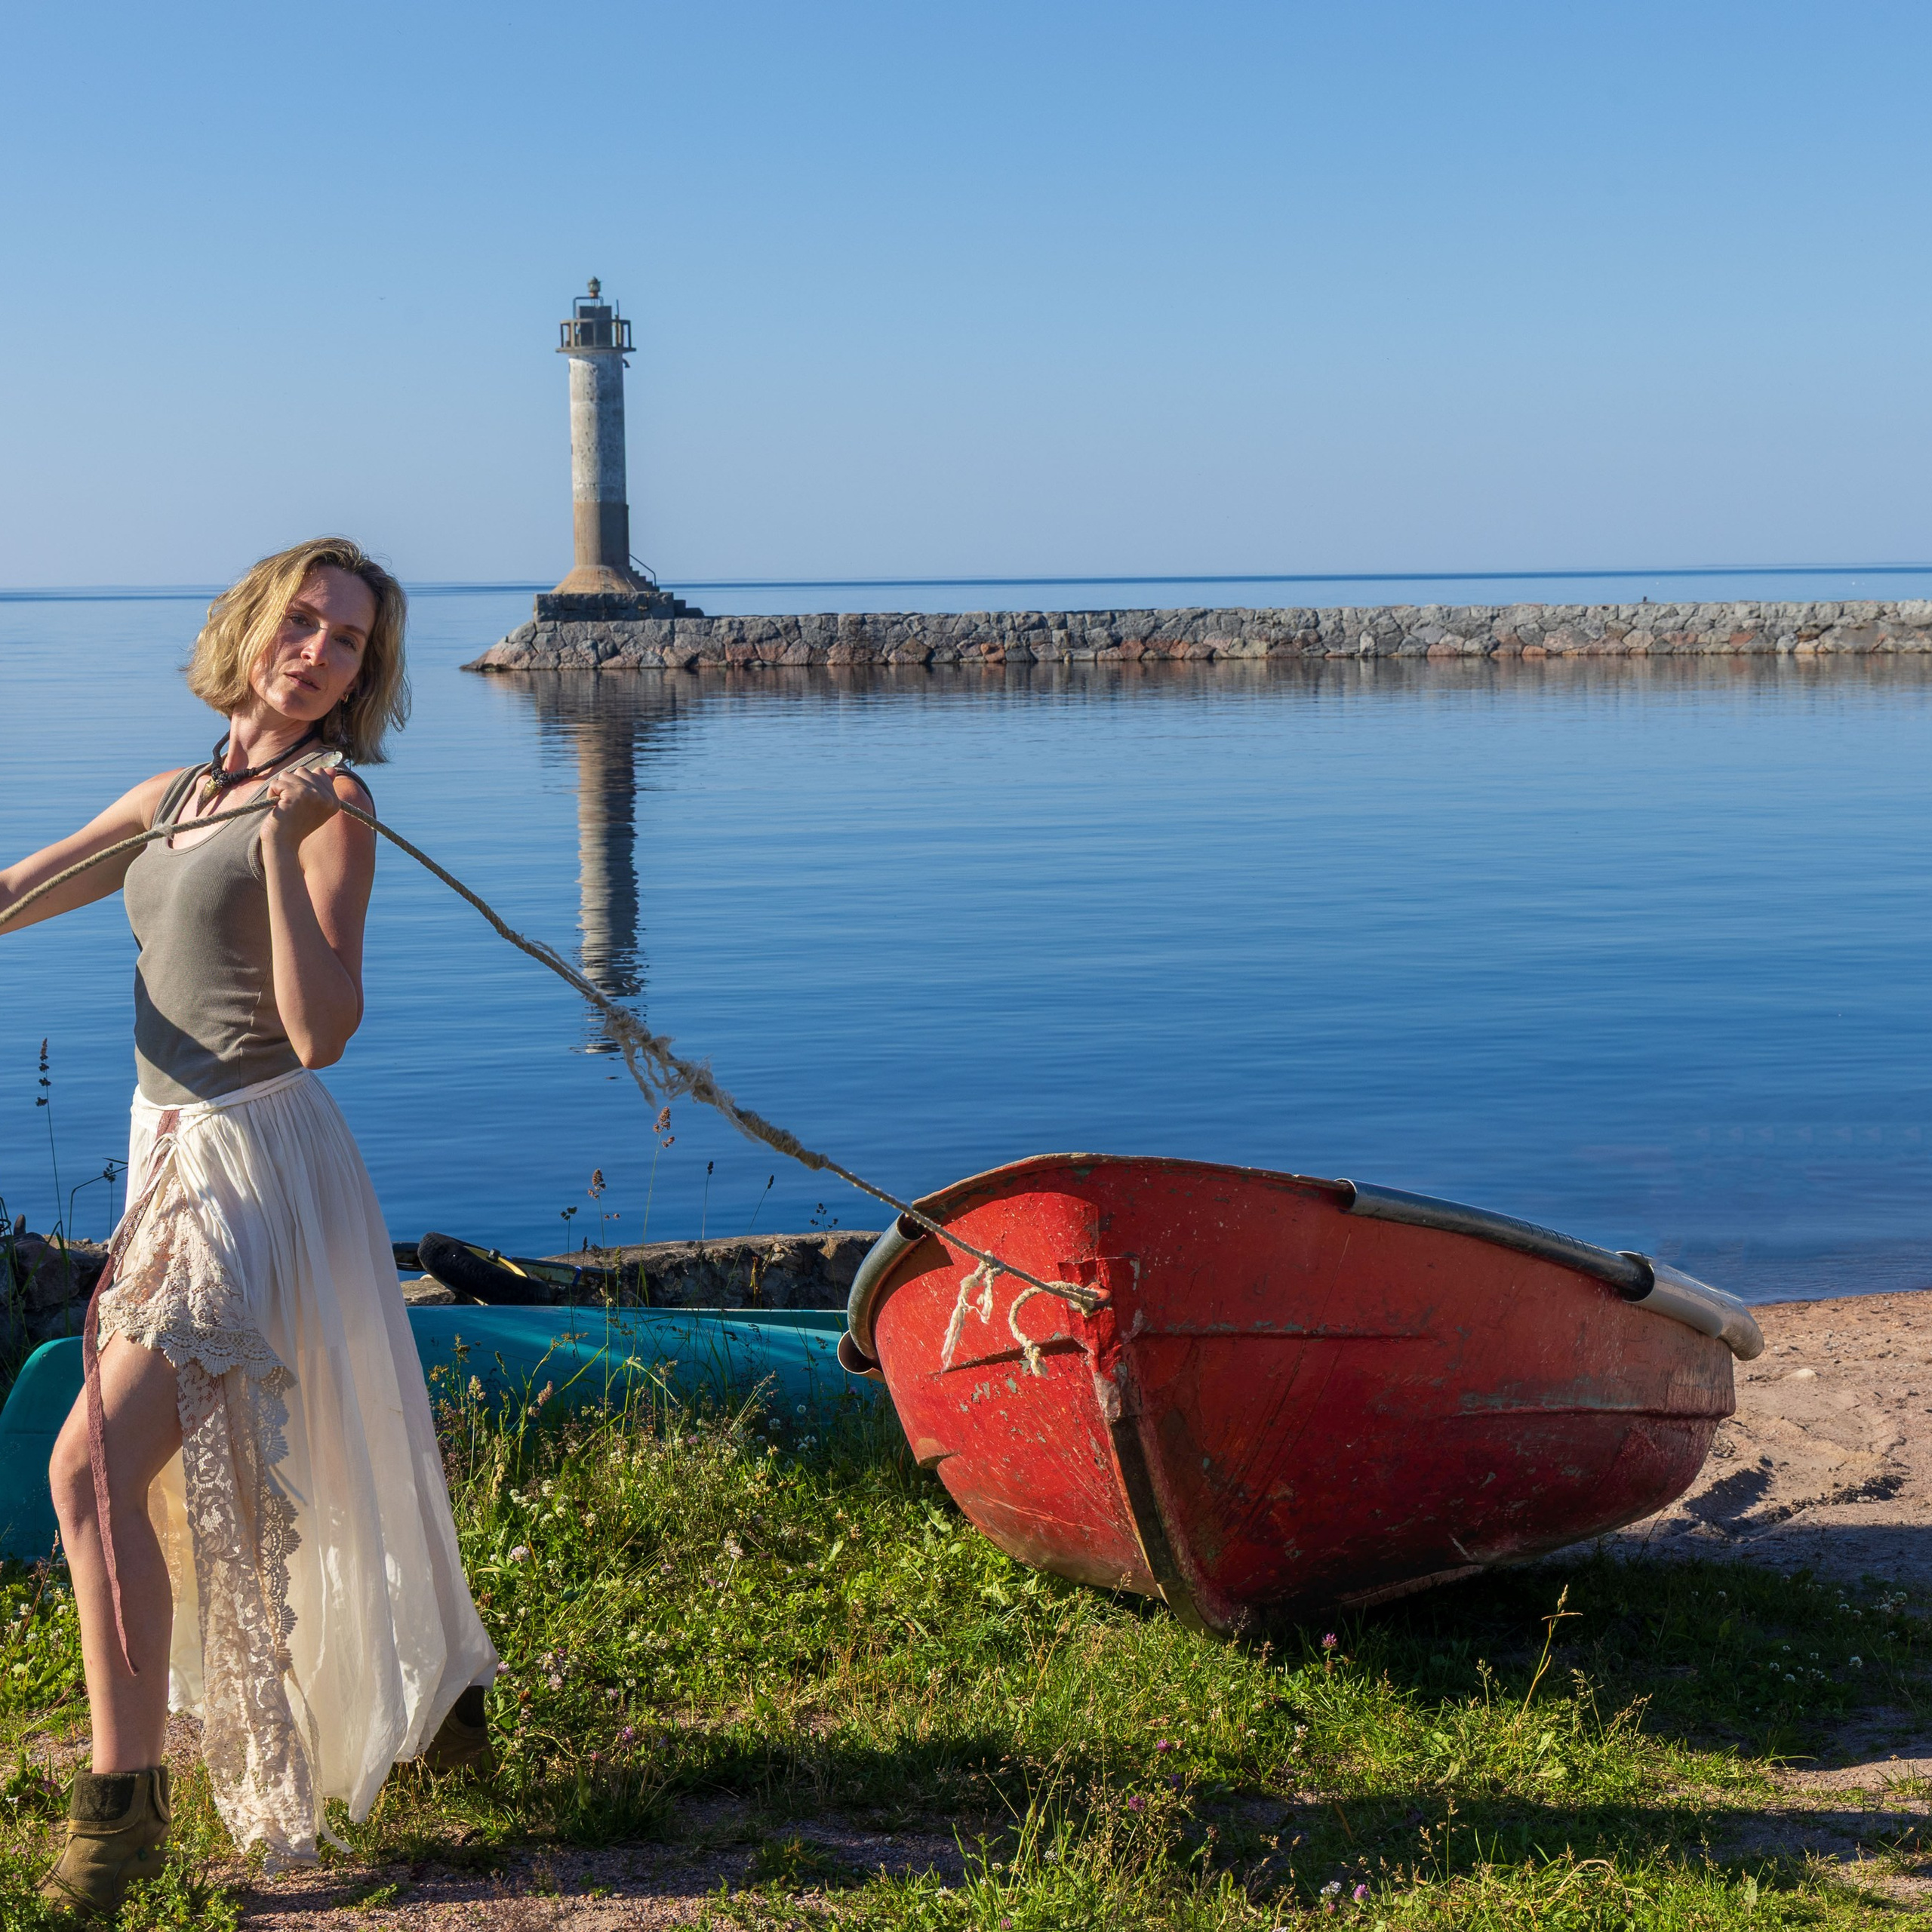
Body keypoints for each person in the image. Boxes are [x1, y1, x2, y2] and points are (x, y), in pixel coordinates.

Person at [0, 537, 497, 1915]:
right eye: (306, 621)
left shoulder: (337, 807)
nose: (320, 652)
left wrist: (282, 844)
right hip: (165, 1154)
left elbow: (322, 1032)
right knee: (296, 1459)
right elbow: (19, 893)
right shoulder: (170, 796)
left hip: (261, 1160)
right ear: (253, 625)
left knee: (87, 1474)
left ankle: (120, 1816)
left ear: (359, 678)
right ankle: (441, 1695)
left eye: (349, 643)